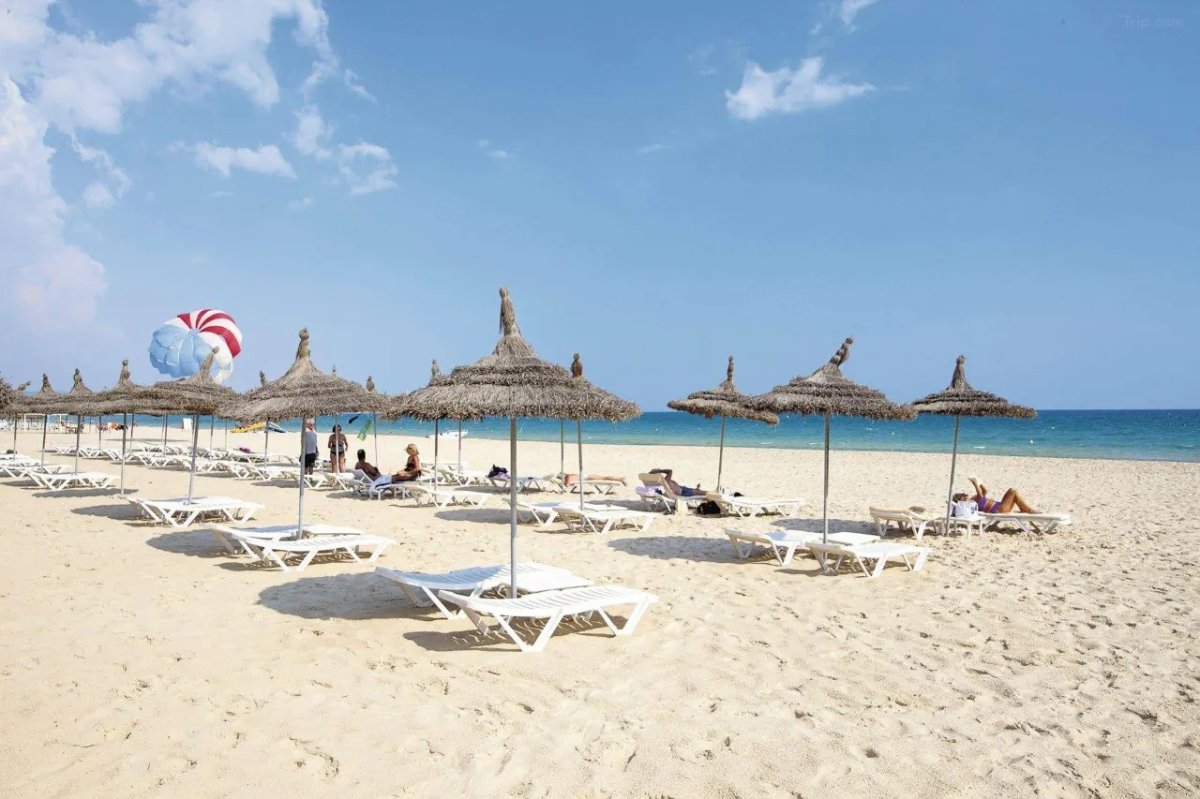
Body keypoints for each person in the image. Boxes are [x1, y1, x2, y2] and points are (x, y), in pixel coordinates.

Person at [967, 476, 1039, 514]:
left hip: (1000, 507)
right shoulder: (971, 502)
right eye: (963, 494)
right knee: (1013, 491)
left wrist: (979, 482)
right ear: (962, 499)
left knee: (1012, 491)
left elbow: (985, 491)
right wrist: (975, 484)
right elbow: (980, 495)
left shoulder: (974, 498)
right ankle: (1027, 509)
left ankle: (1024, 508)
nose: (965, 493)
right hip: (999, 509)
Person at [562, 472, 626, 487]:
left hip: (588, 478)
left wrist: (565, 483)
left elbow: (567, 484)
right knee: (604, 478)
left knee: (604, 478)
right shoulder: (571, 475)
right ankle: (619, 479)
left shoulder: (569, 476)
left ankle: (620, 479)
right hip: (588, 477)